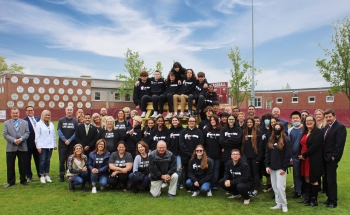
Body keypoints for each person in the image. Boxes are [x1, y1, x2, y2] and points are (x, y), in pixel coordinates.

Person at [265, 122, 292, 213]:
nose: (277, 129)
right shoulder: (271, 140)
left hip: (281, 168)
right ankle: (278, 203)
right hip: (272, 167)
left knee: (280, 187)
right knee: (275, 187)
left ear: (281, 129)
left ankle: (284, 204)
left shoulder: (286, 140)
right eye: (275, 128)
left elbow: (288, 155)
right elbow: (267, 154)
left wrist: (284, 168)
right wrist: (267, 166)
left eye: (278, 128)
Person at [323, 109, 347, 208]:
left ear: (334, 116)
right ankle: (329, 198)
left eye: (330, 117)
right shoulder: (326, 127)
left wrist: (335, 157)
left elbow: (339, 144)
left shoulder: (340, 127)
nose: (328, 118)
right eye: (327, 117)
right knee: (326, 180)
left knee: (331, 179)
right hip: (324, 157)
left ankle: (333, 201)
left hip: (331, 158)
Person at [298, 115, 324, 207]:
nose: (308, 122)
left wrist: (304, 155)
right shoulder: (305, 132)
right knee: (306, 178)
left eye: (310, 120)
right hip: (304, 159)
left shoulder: (318, 132)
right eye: (307, 120)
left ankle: (314, 200)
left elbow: (314, 146)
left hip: (313, 158)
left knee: (313, 178)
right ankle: (307, 198)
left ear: (314, 121)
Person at [3, 107, 30, 188]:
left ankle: (23, 180)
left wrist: (21, 139)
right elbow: (5, 134)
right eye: (13, 113)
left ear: (19, 114)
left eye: (16, 113)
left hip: (22, 146)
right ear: (11, 114)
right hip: (11, 147)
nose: (15, 114)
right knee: (10, 165)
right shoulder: (6, 123)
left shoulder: (24, 122)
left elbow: (27, 133)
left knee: (23, 164)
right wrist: (14, 140)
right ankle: (11, 181)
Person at [179, 116, 204, 190]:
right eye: (190, 121)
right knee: (187, 171)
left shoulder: (199, 132)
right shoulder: (183, 132)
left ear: (195, 122)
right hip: (186, 156)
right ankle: (188, 187)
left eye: (193, 121)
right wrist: (189, 154)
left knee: (197, 170)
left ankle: (197, 185)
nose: (192, 122)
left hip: (197, 156)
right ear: (188, 122)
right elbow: (181, 143)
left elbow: (201, 143)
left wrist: (196, 153)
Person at [241, 116, 262, 197]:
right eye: (248, 122)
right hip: (246, 156)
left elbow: (260, 146)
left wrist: (258, 157)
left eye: (251, 122)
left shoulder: (257, 131)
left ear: (253, 123)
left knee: (255, 173)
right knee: (247, 173)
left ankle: (256, 189)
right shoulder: (244, 131)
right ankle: (248, 187)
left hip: (255, 157)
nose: (249, 123)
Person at [35, 110, 57, 184]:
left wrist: (54, 144)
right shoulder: (38, 124)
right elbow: (37, 136)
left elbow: (53, 135)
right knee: (42, 161)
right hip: (42, 146)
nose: (47, 116)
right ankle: (42, 175)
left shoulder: (51, 124)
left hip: (50, 146)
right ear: (43, 116)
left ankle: (47, 174)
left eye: (48, 115)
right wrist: (38, 146)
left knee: (48, 160)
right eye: (46, 115)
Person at [57, 106, 78, 182]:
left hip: (71, 144)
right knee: (62, 160)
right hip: (62, 145)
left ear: (72, 111)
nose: (69, 111)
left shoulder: (75, 121)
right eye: (68, 110)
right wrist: (65, 140)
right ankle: (61, 175)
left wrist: (69, 140)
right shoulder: (61, 120)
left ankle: (69, 174)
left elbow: (76, 133)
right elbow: (59, 131)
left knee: (70, 160)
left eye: (70, 110)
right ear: (65, 111)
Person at [203, 115, 222, 191]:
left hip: (218, 154)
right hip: (209, 153)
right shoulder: (206, 130)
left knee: (216, 170)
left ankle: (214, 185)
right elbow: (203, 141)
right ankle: (208, 184)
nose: (212, 121)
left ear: (217, 121)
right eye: (211, 120)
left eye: (214, 120)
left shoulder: (221, 130)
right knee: (209, 170)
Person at [287, 111, 303, 199]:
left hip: (304, 156)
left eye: (297, 118)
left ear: (300, 118)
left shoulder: (305, 129)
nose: (295, 119)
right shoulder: (290, 130)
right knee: (296, 174)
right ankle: (298, 192)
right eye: (293, 118)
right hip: (294, 157)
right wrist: (290, 157)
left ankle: (306, 190)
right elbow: (289, 145)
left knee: (304, 175)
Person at [22, 106, 40, 181]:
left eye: (31, 110)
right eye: (28, 110)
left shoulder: (38, 119)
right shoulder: (23, 121)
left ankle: (40, 174)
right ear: (26, 112)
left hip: (38, 144)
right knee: (27, 161)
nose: (30, 112)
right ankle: (29, 176)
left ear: (33, 111)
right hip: (28, 144)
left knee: (38, 160)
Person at [167, 116, 184, 188]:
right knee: (173, 168)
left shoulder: (182, 130)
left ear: (179, 121)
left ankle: (180, 182)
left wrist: (181, 151)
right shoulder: (170, 130)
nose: (174, 121)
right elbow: (168, 142)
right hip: (172, 153)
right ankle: (175, 183)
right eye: (173, 120)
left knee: (179, 168)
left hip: (180, 153)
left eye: (176, 120)